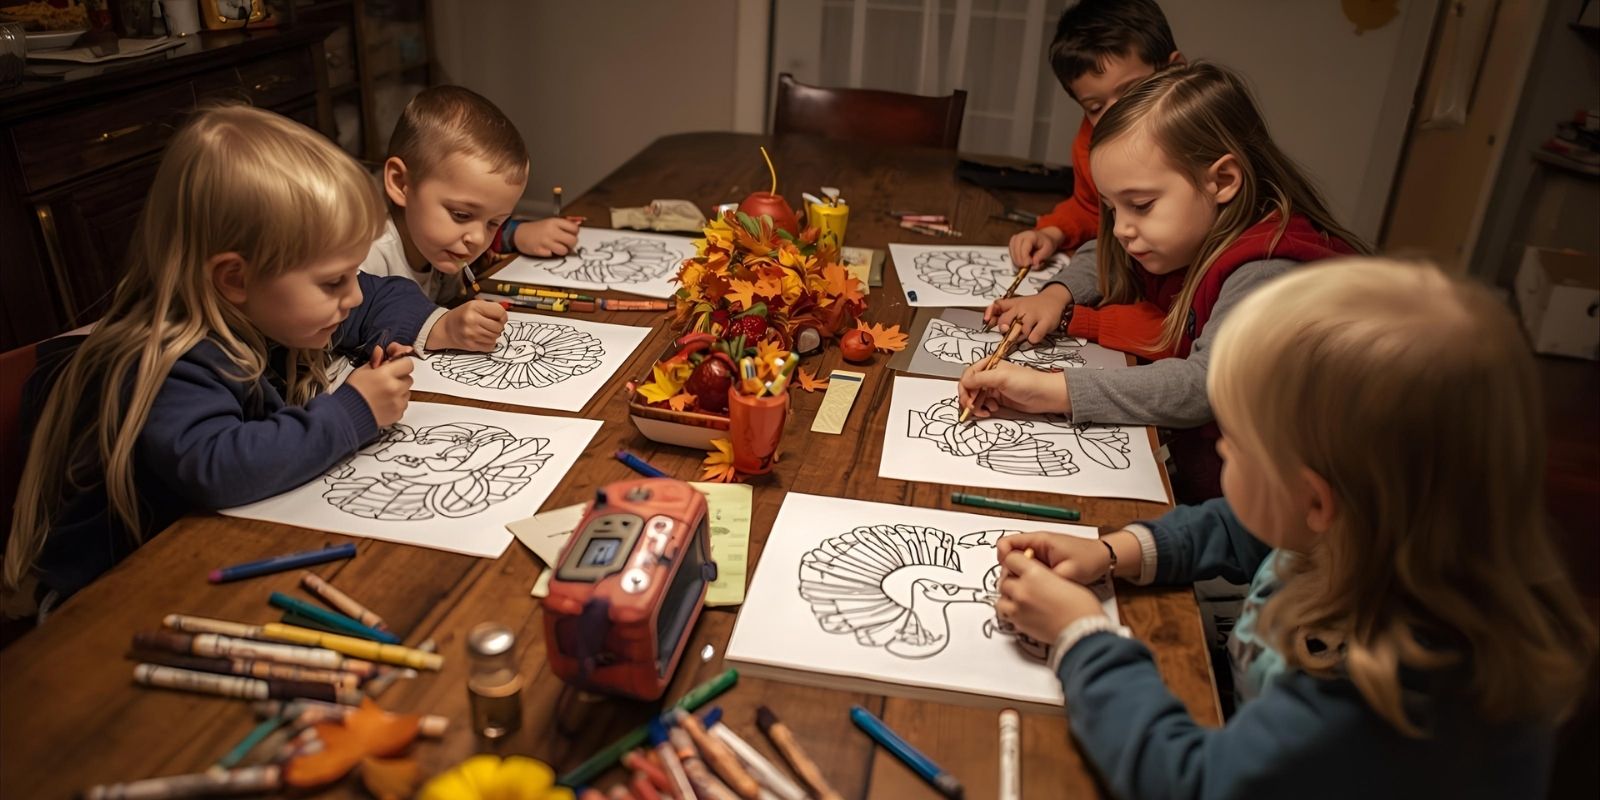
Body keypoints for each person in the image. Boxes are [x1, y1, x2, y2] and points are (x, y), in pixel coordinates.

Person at [994, 260, 1596, 798]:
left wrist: (1082, 636)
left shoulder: (1373, 693)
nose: (1222, 445)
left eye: (1236, 440)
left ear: (1314, 500)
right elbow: (1248, 529)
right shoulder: (1369, 535)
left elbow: (1186, 780)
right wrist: (1118, 551)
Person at [5, 106, 485, 607]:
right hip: (110, 599)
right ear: (234, 278)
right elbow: (219, 466)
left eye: (350, 272)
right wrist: (354, 411)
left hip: (220, 550)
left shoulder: (271, 302)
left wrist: (431, 326)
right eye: (332, 281)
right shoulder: (175, 359)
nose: (353, 296)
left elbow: (378, 295)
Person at [966, 62, 1364, 500]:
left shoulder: (1268, 272)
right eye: (1112, 209)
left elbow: (1203, 386)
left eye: (1140, 205)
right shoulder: (1188, 230)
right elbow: (1105, 252)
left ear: (1223, 181)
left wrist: (1051, 389)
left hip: (1285, 518)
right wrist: (1057, 294)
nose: (1121, 228)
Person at [362, 85, 578, 351]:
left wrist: (515, 234)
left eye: (494, 223)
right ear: (400, 184)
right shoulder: (361, 256)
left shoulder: (440, 239)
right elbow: (356, 323)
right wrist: (439, 325)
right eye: (461, 215)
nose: (478, 238)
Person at [1007, 0, 1182, 271]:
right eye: (1096, 107)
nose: (1115, 114)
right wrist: (1052, 233)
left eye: (1130, 91)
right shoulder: (1090, 143)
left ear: (1175, 71)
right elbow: (1091, 209)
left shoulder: (1197, 138)